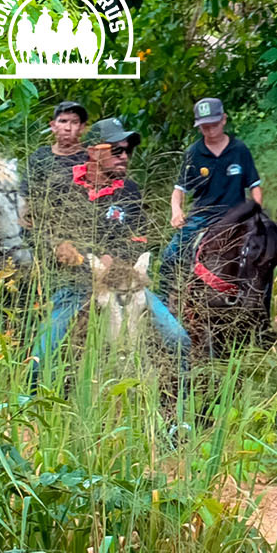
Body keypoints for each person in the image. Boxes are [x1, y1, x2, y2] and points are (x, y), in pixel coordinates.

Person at [29, 118, 190, 385]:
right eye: (116, 150)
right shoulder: (62, 185)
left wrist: (113, 257)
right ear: (93, 152)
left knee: (178, 339)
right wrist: (58, 247)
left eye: (128, 150)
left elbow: (139, 239)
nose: (124, 156)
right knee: (41, 357)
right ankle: (28, 405)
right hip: (76, 286)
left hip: (125, 285)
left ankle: (181, 407)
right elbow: (42, 231)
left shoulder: (130, 190)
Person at [159, 96, 264, 298]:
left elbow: (255, 187)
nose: (210, 130)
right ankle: (163, 303)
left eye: (214, 124)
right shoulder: (193, 152)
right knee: (170, 255)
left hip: (236, 216)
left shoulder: (239, 149)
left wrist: (256, 213)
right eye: (205, 127)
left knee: (264, 255)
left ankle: (261, 306)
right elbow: (179, 190)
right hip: (202, 217)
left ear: (224, 119)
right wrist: (176, 211)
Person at [22, 100, 88, 227]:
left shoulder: (90, 158)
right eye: (63, 121)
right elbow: (26, 192)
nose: (68, 128)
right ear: (53, 126)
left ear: (81, 128)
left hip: (80, 226)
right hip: (44, 226)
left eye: (74, 122)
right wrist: (24, 213)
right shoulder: (40, 156)